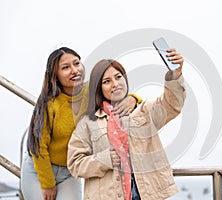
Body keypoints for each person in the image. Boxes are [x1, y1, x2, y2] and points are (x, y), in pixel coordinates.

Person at [20, 47, 141, 200]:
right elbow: (39, 147)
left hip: (70, 171)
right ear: (55, 75)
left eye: (76, 63)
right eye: (65, 68)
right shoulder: (49, 103)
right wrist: (48, 184)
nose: (74, 70)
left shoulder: (91, 91)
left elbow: (116, 91)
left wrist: (134, 98)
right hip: (39, 170)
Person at [67, 48, 186, 200]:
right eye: (106, 81)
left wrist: (175, 75)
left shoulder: (143, 110)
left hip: (147, 194)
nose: (115, 84)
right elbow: (74, 163)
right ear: (99, 88)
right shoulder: (88, 123)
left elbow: (172, 105)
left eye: (118, 77)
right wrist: (103, 159)